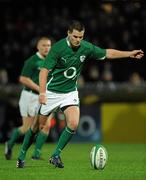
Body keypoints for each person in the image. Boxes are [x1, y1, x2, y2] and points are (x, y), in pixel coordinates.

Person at [16, 20, 144, 168]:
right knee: (37, 127)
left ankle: (56, 155)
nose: (78, 40)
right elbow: (44, 72)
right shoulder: (58, 48)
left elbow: (107, 52)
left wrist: (129, 54)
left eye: (81, 37)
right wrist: (43, 93)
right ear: (68, 34)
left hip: (70, 92)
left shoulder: (86, 47)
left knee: (74, 123)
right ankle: (21, 154)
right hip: (52, 92)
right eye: (75, 36)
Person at [5, 36, 52, 160]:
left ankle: (36, 154)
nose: (46, 48)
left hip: (44, 98)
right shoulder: (32, 61)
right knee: (27, 128)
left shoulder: (51, 61)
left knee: (46, 125)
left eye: (48, 45)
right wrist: (40, 89)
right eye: (44, 45)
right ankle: (9, 144)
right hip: (30, 96)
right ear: (38, 47)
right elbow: (23, 79)